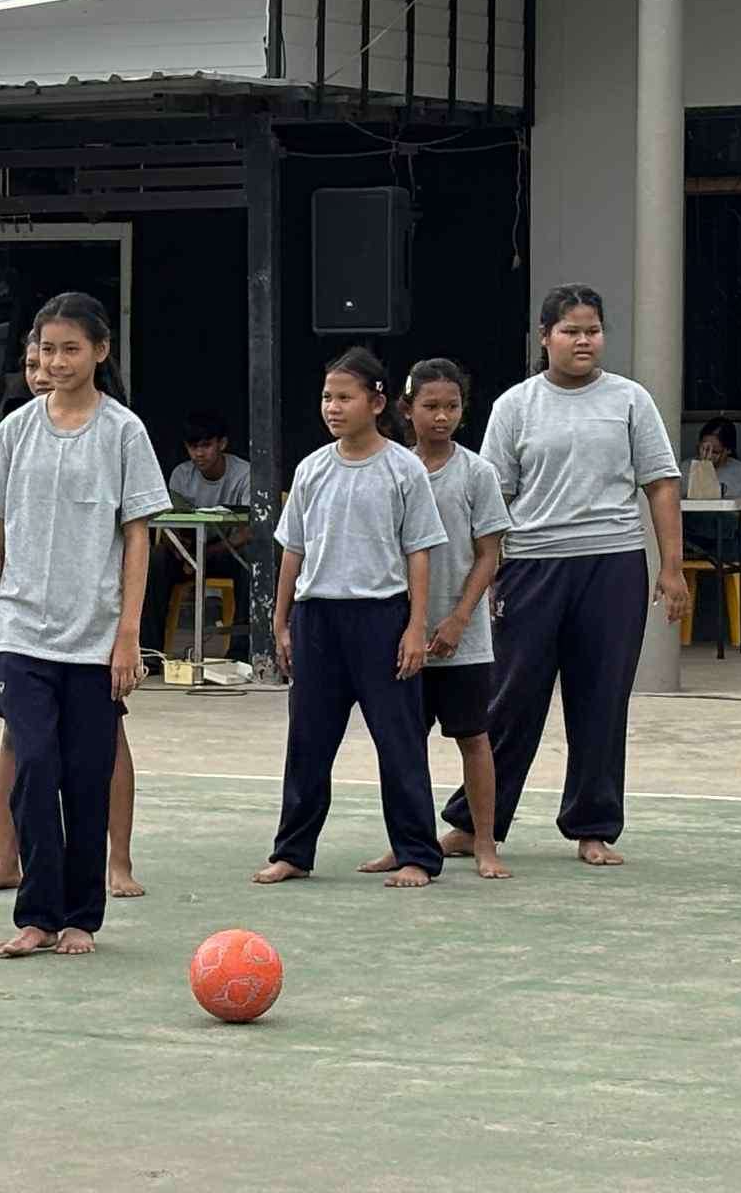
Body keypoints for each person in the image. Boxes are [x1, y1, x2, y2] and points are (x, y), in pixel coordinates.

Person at [0, 292, 169, 959]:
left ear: (101, 352)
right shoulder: (17, 430)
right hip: (23, 634)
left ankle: (82, 916)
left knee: (84, 775)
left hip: (97, 638)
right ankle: (36, 915)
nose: (57, 360)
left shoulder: (124, 432)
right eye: (47, 349)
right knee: (33, 765)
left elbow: (138, 537)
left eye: (71, 348)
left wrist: (128, 632)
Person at [441, 284, 686, 869]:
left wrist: (671, 567)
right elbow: (493, 499)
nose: (584, 341)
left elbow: (660, 483)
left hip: (614, 566)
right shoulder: (515, 406)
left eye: (593, 330)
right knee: (511, 696)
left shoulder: (631, 401)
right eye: (571, 331)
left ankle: (593, 826)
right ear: (545, 336)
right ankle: (476, 824)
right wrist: (485, 576)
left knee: (601, 699)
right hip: (531, 569)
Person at [255, 348, 447, 890]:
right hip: (318, 620)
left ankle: (416, 853)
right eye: (326, 397)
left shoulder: (403, 468)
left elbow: (420, 552)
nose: (333, 407)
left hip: (382, 620)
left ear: (377, 401)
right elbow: (292, 549)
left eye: (345, 397)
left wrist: (415, 625)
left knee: (399, 740)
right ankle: (292, 850)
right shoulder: (313, 469)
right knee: (308, 742)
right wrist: (281, 619)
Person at [355, 359, 513, 881]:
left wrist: (458, 619)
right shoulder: (389, 467)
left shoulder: (478, 473)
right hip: (402, 637)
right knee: (401, 745)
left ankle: (484, 842)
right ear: (406, 408)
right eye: (430, 407)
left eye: (451, 407)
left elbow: (489, 553)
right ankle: (407, 842)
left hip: (462, 641)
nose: (441, 417)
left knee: (473, 738)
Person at [139, 412, 253, 663]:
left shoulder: (244, 474)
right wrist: (181, 552)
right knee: (155, 559)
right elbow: (168, 526)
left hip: (227, 552)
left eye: (206, 446)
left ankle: (242, 651)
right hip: (188, 552)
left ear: (221, 444)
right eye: (193, 447)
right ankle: (149, 653)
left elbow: (250, 531)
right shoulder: (181, 475)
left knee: (254, 560)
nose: (199, 453)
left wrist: (209, 553)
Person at [685, 416, 741, 563]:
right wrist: (702, 467)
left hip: (727, 538)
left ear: (728, 450)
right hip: (694, 536)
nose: (708, 455)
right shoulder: (685, 468)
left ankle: (706, 555)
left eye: (714, 452)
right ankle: (703, 552)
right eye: (703, 449)